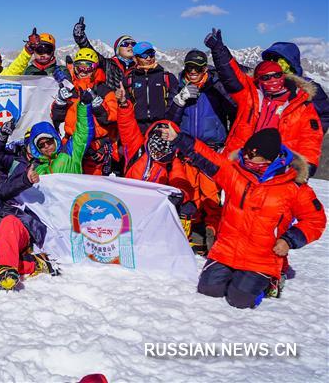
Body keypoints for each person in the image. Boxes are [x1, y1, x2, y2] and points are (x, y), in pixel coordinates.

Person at [166, 127, 326, 308]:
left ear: (269, 158)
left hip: (261, 257)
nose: (247, 157)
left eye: (252, 154)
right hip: (226, 250)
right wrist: (179, 139)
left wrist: (289, 240)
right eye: (246, 151)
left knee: (240, 299)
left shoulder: (293, 186)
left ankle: (271, 282)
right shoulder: (236, 171)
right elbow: (209, 159)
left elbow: (315, 220)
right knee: (209, 290)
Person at [117, 83, 221, 249]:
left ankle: (176, 243)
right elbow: (126, 125)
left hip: (152, 209)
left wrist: (181, 196)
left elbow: (181, 183)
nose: (160, 146)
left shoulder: (172, 162)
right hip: (129, 203)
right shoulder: (136, 148)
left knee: (187, 207)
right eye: (158, 137)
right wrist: (123, 104)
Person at [206, 29, 323, 174]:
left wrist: (305, 169)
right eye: (267, 75)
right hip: (240, 163)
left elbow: (310, 138)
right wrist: (219, 50)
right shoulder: (252, 93)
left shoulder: (300, 103)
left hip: (276, 169)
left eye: (278, 72)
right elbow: (232, 77)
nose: (272, 79)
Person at [51, 48, 118, 176]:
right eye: (79, 67)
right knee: (67, 180)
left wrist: (98, 105)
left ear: (95, 68)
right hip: (71, 143)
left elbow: (111, 118)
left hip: (94, 146)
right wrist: (60, 102)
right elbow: (56, 118)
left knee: (92, 185)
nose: (82, 71)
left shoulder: (104, 91)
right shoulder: (71, 89)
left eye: (87, 67)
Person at [0, 94, 93, 176]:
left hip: (74, 197)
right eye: (41, 145)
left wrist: (84, 106)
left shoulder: (70, 153)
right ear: (36, 149)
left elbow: (83, 133)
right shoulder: (35, 170)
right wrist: (2, 135)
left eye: (49, 142)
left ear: (55, 139)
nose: (46, 146)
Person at [164, 49, 236, 150]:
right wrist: (179, 102)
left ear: (205, 69)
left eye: (198, 68)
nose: (193, 71)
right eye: (189, 68)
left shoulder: (216, 87)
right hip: (186, 146)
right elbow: (169, 122)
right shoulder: (178, 88)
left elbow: (234, 113)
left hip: (213, 147)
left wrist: (230, 143)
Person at [261, 41, 329, 134]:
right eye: (270, 59)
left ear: (290, 62)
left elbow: (325, 114)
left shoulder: (308, 87)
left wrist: (311, 135)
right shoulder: (263, 83)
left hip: (295, 144)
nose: (273, 62)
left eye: (278, 59)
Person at [123, 41, 178, 132]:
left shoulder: (167, 77)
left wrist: (167, 122)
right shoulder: (129, 79)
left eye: (151, 54)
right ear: (135, 58)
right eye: (144, 55)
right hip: (137, 128)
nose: (148, 58)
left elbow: (173, 103)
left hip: (161, 127)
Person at [72, 16, 136, 90]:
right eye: (125, 44)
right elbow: (91, 54)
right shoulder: (109, 64)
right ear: (117, 49)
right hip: (111, 100)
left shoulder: (139, 67)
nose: (130, 46)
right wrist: (81, 39)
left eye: (133, 44)